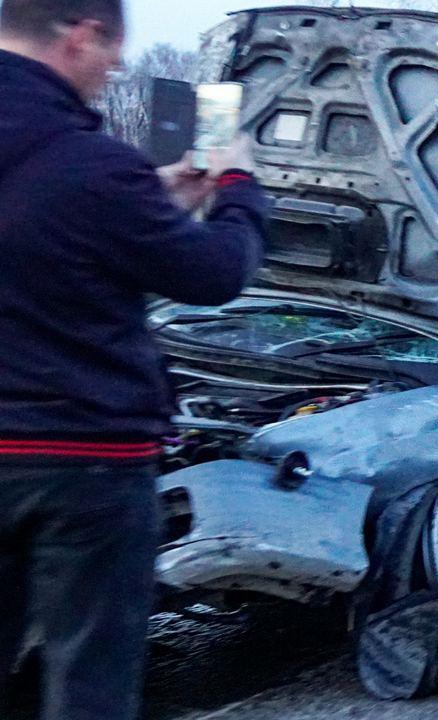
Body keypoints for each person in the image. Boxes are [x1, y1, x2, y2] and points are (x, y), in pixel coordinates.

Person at [0, 0, 268, 718]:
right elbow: (215, 274)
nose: (116, 68)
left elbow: (34, 235)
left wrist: (151, 199)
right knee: (88, 684)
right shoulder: (90, 165)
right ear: (81, 35)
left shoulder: (98, 175)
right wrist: (238, 187)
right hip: (84, 464)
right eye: (113, 52)